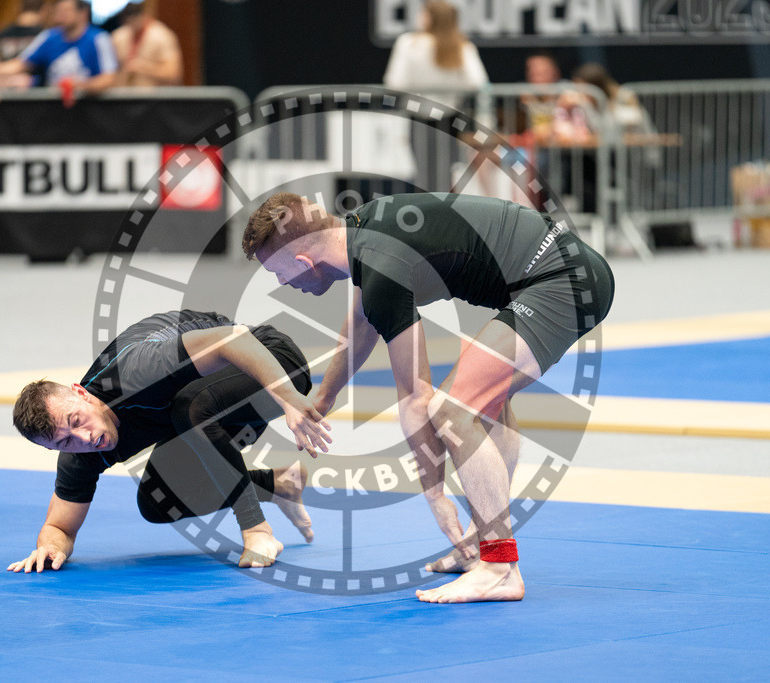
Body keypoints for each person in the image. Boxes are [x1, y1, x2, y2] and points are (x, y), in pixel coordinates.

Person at [242, 192, 615, 603]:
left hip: (563, 280)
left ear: (303, 263)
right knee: (485, 402)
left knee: (453, 411)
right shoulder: (360, 229)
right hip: (565, 269)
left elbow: (416, 397)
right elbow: (363, 322)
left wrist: (436, 495)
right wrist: (324, 398)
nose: (282, 285)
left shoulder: (381, 267)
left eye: (278, 274)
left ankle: (498, 566)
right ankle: (480, 547)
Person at [8, 310, 332, 574]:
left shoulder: (135, 371)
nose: (85, 439)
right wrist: (49, 547)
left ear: (82, 393)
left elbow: (234, 339)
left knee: (190, 407)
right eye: (64, 443)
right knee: (158, 503)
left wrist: (289, 398)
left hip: (270, 363)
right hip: (212, 412)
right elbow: (60, 528)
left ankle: (258, 531)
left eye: (76, 421)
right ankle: (278, 484)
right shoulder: (79, 453)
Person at [383, 0, 488, 191]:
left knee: (424, 174)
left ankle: (431, 216)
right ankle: (442, 214)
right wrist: (450, 87)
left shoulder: (410, 44)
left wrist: (423, 87)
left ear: (429, 17)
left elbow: (395, 82)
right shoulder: (460, 45)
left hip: (420, 117)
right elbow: (477, 81)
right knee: (446, 175)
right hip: (449, 118)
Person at [0, 0, 117, 98]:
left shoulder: (99, 38)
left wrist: (81, 85)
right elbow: (21, 64)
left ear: (82, 13)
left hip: (89, 112)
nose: (61, 16)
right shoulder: (49, 37)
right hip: (54, 111)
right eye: (59, 11)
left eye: (66, 11)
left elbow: (109, 78)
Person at [111, 1, 183, 87]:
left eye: (136, 17)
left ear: (145, 15)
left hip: (153, 96)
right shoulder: (118, 36)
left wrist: (144, 67)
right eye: (129, 19)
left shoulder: (162, 36)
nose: (133, 22)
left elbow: (173, 73)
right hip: (123, 94)